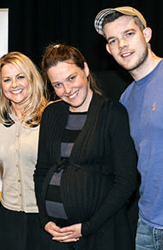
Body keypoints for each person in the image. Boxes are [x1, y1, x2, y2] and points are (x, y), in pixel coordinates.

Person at [33, 43, 137, 250]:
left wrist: (87, 227)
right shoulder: (51, 114)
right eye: (58, 85)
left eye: (72, 78)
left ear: (86, 70)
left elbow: (126, 181)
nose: (67, 90)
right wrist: (45, 220)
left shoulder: (113, 113)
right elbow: (41, 171)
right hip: (57, 237)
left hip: (101, 235)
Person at [94, 6, 163, 250]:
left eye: (129, 34)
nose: (122, 44)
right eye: (113, 40)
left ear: (147, 34)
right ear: (108, 49)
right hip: (146, 224)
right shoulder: (126, 99)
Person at [0, 51, 48, 250]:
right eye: (7, 79)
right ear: (0, 86)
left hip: (45, 217)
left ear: (32, 79)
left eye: (20, 77)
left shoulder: (52, 116)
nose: (14, 84)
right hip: (8, 219)